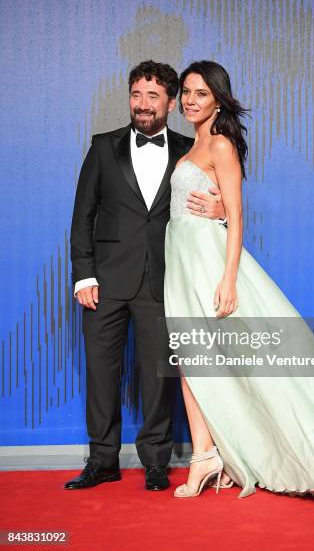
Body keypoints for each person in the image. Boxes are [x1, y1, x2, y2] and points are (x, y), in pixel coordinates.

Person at [163, 60, 314, 503]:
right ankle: (205, 456)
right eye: (186, 91)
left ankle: (307, 452)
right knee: (191, 360)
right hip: (181, 264)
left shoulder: (220, 145)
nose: (189, 100)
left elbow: (236, 215)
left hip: (209, 264)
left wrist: (230, 280)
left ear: (218, 99)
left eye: (200, 92)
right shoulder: (190, 146)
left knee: (257, 367)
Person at [65, 60, 226, 492]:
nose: (142, 104)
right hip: (106, 281)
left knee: (158, 375)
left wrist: (223, 211)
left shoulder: (188, 149)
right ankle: (102, 461)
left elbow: (219, 201)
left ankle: (157, 462)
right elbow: (83, 215)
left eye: (153, 96)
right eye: (136, 95)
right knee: (101, 372)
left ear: (171, 103)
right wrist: (84, 276)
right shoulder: (103, 146)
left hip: (164, 278)